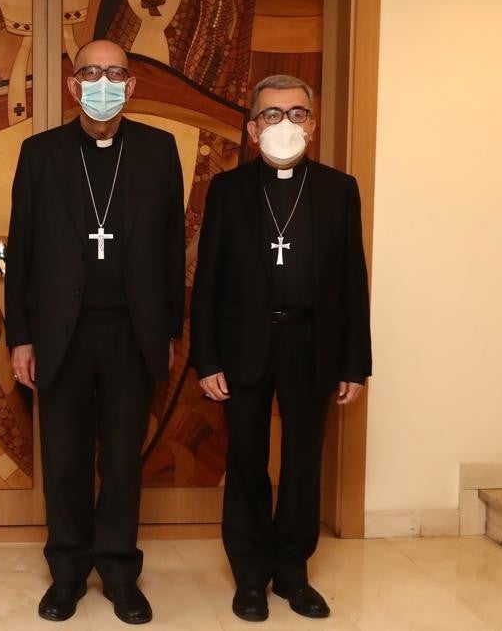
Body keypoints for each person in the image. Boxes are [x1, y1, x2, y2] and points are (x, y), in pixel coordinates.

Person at [4, 39, 185, 625]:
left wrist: (169, 330)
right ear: (72, 84)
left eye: (113, 73)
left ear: (131, 86)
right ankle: (67, 573)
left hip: (133, 332)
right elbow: (22, 251)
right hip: (63, 333)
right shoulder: (41, 153)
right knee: (65, 461)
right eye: (90, 72)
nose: (101, 82)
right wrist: (20, 337)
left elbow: (172, 248)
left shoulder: (158, 150)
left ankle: (120, 573)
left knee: (125, 462)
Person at [189, 74, 371, 622]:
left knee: (302, 461)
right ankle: (249, 575)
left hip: (312, 344)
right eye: (271, 114)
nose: (284, 123)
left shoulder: (339, 189)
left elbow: (353, 281)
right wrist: (207, 357)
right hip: (244, 343)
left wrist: (355, 363)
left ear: (312, 125)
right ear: (252, 130)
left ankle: (292, 571)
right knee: (245, 459)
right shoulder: (228, 189)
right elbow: (207, 279)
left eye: (296, 113)